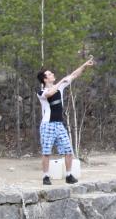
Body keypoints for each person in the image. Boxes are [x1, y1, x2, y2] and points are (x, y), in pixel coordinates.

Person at [38, 57, 94, 185]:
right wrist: (61, 82)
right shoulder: (41, 92)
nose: (53, 75)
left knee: (68, 150)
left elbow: (73, 75)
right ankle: (46, 176)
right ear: (45, 79)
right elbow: (49, 94)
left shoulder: (60, 87)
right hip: (47, 125)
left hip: (59, 124)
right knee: (46, 152)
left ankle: (69, 175)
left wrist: (84, 65)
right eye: (50, 74)